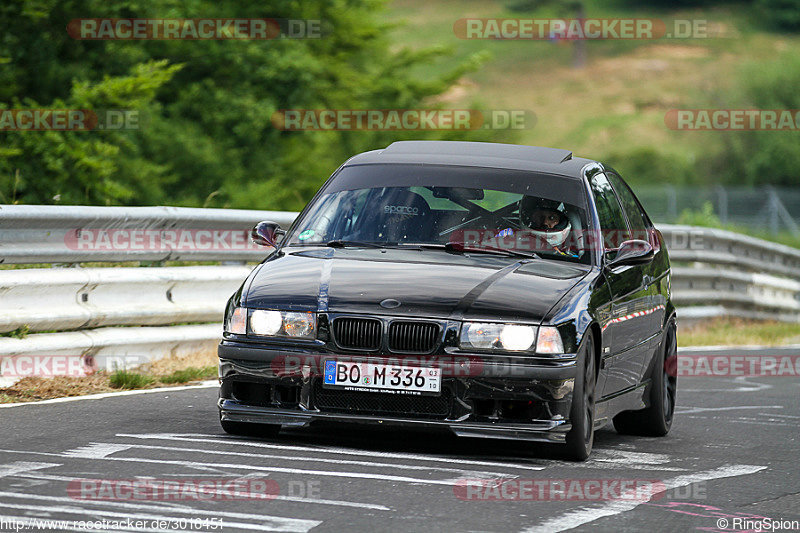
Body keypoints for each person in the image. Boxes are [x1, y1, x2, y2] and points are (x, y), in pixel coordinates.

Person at [497, 196, 579, 257]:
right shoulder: (508, 237)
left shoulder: (571, 258)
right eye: (540, 218)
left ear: (562, 220)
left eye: (552, 218)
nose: (546, 223)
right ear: (529, 219)